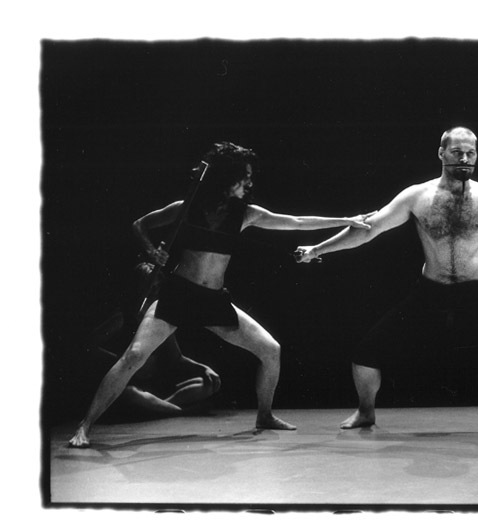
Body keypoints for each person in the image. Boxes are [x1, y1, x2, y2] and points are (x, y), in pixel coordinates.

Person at [69, 141, 372, 447]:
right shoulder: (187, 207)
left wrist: (346, 220)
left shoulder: (246, 214)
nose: (249, 183)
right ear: (226, 178)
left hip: (213, 301)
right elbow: (140, 225)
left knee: (271, 350)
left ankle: (264, 415)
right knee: (134, 356)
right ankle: (85, 426)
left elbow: (296, 222)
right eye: (244, 177)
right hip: (178, 294)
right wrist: (151, 251)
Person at [295, 127, 478, 434]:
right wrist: (318, 249)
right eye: (457, 152)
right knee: (366, 352)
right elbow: (369, 229)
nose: (464, 159)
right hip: (431, 294)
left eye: (470, 153)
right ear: (441, 153)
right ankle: (365, 412)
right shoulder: (417, 196)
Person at [85, 262, 222, 421]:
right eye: (150, 286)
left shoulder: (160, 318)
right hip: (128, 384)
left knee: (208, 383)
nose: (154, 291)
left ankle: (161, 407)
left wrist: (204, 369)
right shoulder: (123, 317)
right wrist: (122, 361)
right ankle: (181, 412)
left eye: (157, 286)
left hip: (154, 385)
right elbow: (89, 346)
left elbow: (177, 358)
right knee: (132, 393)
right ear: (138, 287)